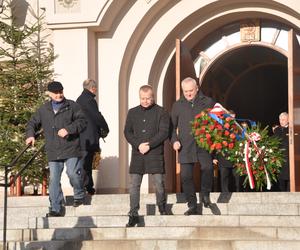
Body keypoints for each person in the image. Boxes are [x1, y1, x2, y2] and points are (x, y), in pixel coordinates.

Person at [25, 81, 87, 217]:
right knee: (54, 179)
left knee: (72, 173)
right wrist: (30, 135)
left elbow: (82, 122)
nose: (59, 95)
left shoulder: (72, 106)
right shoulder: (43, 109)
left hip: (70, 147)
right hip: (53, 149)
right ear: (49, 94)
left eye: (61, 92)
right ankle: (56, 208)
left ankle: (79, 194)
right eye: (56, 93)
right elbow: (32, 123)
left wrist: (69, 129)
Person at [124, 85, 170, 227]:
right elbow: (127, 132)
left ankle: (162, 208)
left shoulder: (161, 112)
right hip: (138, 154)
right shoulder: (132, 112)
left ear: (153, 97)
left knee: (159, 184)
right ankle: (133, 214)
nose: (145, 101)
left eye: (147, 98)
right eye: (142, 99)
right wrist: (139, 145)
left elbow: (164, 132)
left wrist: (149, 144)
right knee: (134, 185)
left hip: (155, 153)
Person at [171, 77, 216, 215]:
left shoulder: (208, 102)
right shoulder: (177, 105)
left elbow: (217, 123)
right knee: (185, 177)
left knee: (208, 168)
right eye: (185, 91)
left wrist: (213, 139)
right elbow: (171, 127)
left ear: (197, 88)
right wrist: (174, 141)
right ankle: (192, 205)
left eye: (191, 90)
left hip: (203, 144)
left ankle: (205, 195)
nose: (189, 93)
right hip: (185, 146)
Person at [76, 79, 109, 195]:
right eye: (95, 89)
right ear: (93, 88)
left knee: (85, 162)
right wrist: (106, 128)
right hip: (88, 137)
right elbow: (97, 116)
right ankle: (86, 187)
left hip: (82, 136)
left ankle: (88, 186)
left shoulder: (79, 99)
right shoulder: (89, 100)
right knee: (86, 163)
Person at [273, 112, 290, 191]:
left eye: (283, 119)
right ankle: (282, 193)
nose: (281, 121)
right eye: (280, 119)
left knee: (290, 177)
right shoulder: (277, 129)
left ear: (288, 120)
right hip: (279, 157)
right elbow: (274, 142)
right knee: (280, 178)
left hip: (289, 157)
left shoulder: (291, 129)